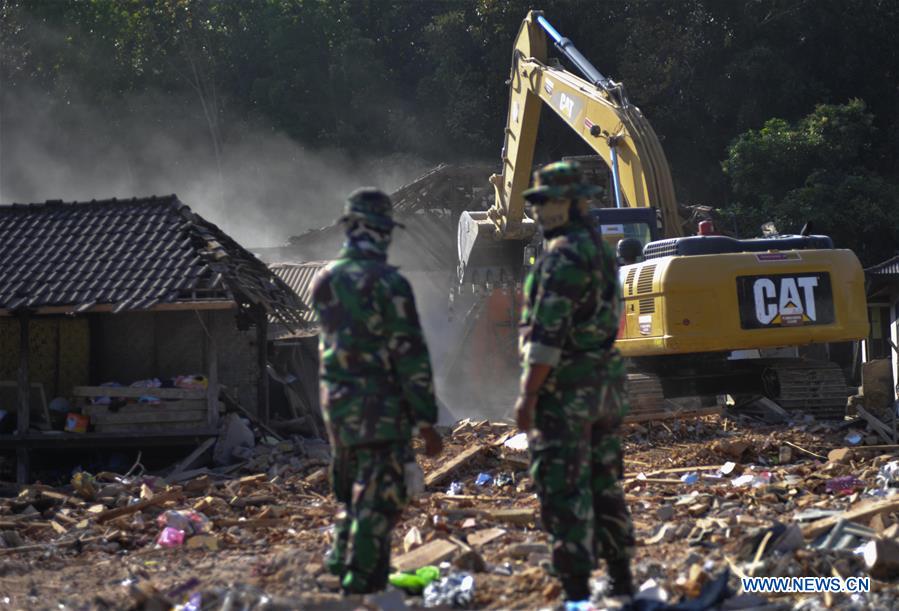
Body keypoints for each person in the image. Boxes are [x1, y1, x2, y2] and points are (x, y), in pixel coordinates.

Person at [312, 187, 443, 594]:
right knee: (381, 497)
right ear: (380, 230)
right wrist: (426, 420)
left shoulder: (325, 280)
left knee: (352, 487)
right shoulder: (389, 283)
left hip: (337, 405)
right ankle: (362, 585)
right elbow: (410, 357)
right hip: (380, 409)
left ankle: (340, 559)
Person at [515, 161, 636, 603]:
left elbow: (548, 335)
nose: (540, 213)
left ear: (572, 204)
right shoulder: (601, 252)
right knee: (604, 483)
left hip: (567, 390)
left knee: (563, 489)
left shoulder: (561, 255)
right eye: (538, 205)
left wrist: (527, 396)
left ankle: (576, 591)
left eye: (547, 203)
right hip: (605, 384)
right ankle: (622, 578)